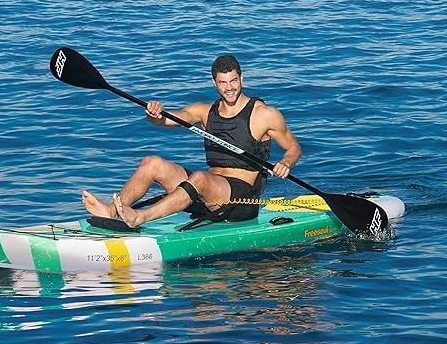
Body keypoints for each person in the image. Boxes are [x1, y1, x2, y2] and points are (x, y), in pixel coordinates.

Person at [82, 54, 301, 228]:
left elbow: (293, 148)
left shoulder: (264, 114)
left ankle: (140, 217)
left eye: (233, 81)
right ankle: (112, 210)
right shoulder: (204, 111)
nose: (229, 88)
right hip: (207, 195)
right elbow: (167, 120)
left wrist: (286, 163)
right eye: (223, 82)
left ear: (242, 78)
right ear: (214, 82)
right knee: (151, 163)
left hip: (240, 202)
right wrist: (154, 114)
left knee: (200, 178)